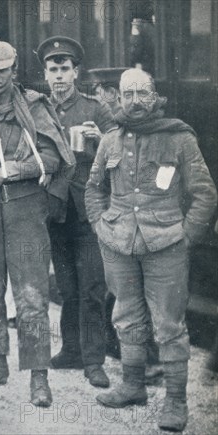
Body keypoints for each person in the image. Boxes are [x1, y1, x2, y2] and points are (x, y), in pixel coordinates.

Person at [86, 68, 217, 431]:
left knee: (169, 325)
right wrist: (101, 225)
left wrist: (186, 236)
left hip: (166, 245)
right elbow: (94, 188)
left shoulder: (178, 138)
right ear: (120, 98)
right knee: (126, 316)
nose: (135, 102)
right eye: (128, 94)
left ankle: (176, 402)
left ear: (155, 96)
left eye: (143, 94)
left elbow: (206, 193)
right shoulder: (110, 140)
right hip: (118, 243)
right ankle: (132, 385)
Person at [0, 28, 74, 407]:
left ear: (15, 70)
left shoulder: (34, 107)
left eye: (3, 70)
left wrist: (7, 171)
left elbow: (55, 159)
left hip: (25, 211)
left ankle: (39, 377)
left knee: (32, 297)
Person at [36, 36, 115, 388]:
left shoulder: (96, 109)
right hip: (55, 211)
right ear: (45, 73)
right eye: (52, 69)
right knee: (67, 287)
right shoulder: (38, 110)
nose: (58, 76)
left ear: (76, 72)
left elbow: (119, 157)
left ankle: (94, 360)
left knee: (93, 288)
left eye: (64, 69)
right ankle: (71, 349)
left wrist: (100, 140)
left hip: (88, 210)